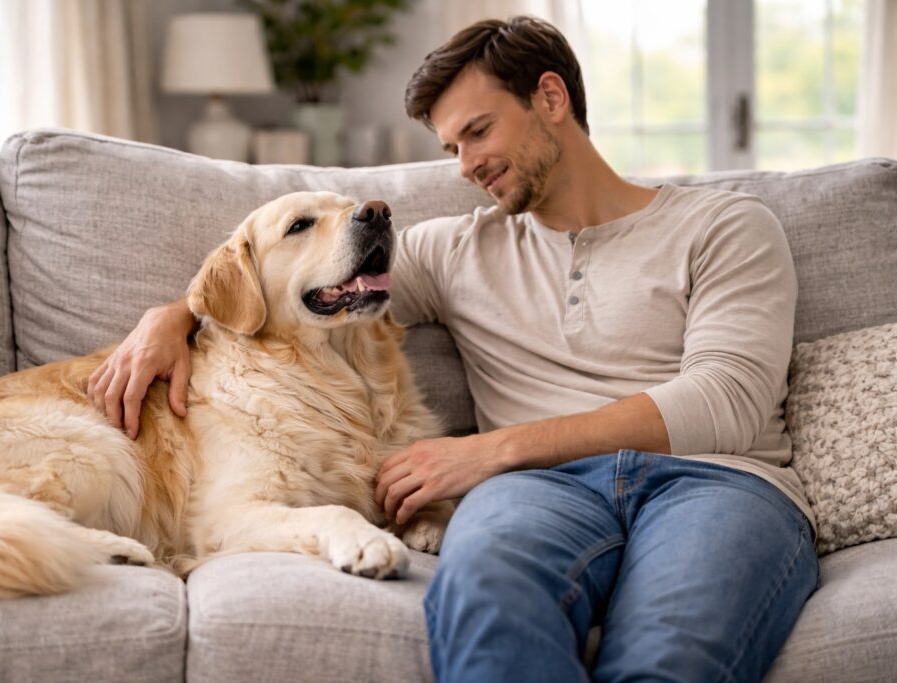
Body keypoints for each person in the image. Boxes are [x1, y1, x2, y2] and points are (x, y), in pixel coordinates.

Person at [88, 15, 818, 682]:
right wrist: (174, 317)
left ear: (552, 99)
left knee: (671, 657)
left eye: (478, 132)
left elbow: (727, 401)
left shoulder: (726, 227)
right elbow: (292, 292)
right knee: (490, 620)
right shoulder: (454, 251)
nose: (465, 165)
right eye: (451, 147)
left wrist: (492, 451)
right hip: (541, 495)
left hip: (715, 483)